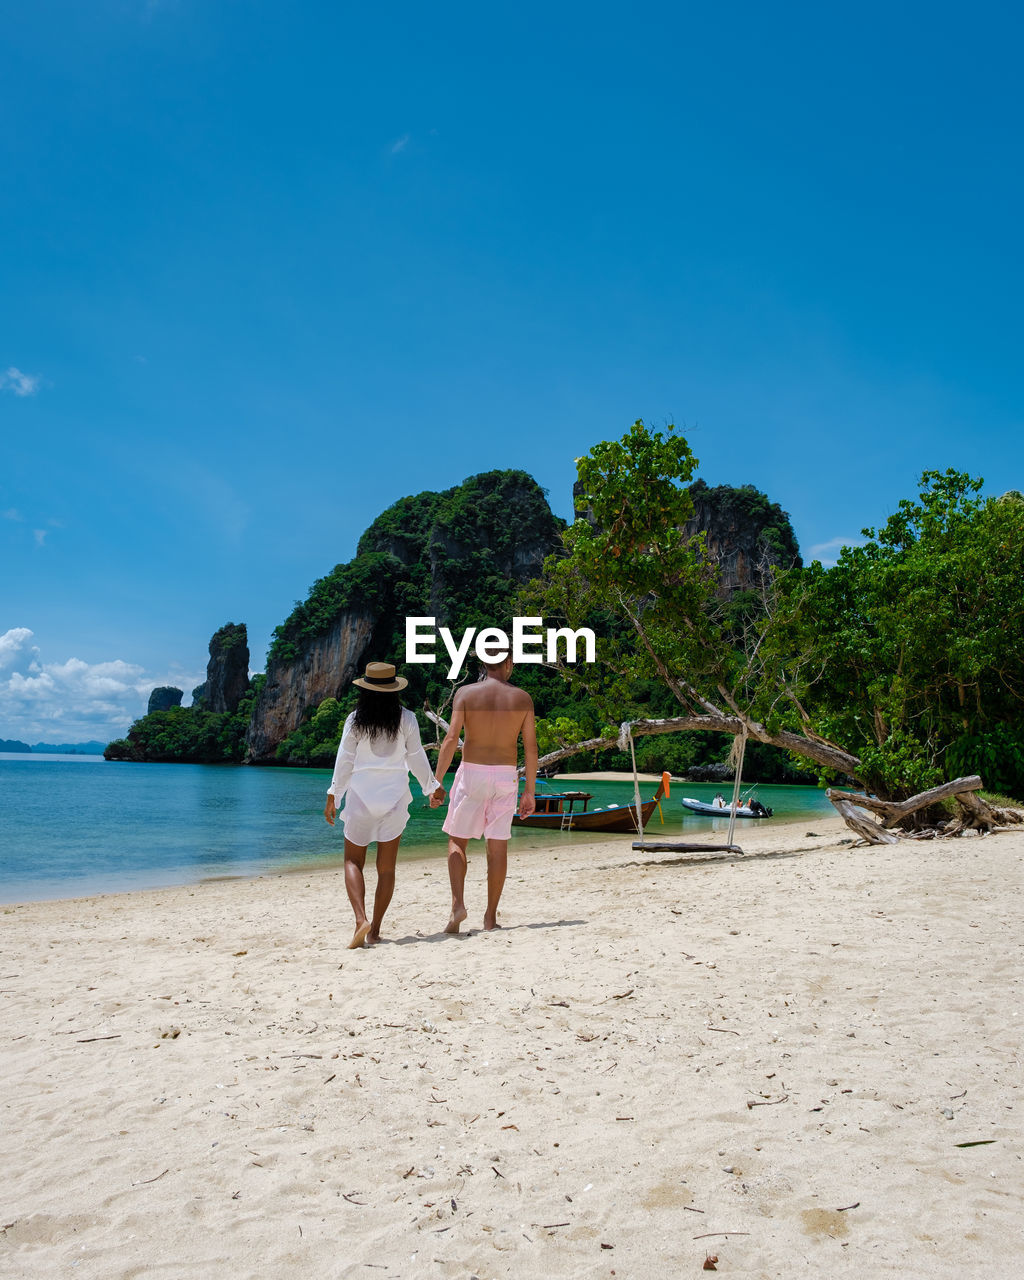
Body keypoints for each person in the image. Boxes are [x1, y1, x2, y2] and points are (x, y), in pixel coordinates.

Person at [324, 661, 444, 949]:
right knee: (386, 869)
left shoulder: (355, 720)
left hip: (361, 798)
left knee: (353, 861)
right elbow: (416, 757)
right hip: (394, 800)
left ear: (365, 690)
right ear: (394, 690)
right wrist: (432, 787)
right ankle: (375, 929)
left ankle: (359, 919)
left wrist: (333, 795)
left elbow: (345, 762)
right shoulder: (407, 719)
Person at [431, 653, 537, 933]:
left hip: (472, 773)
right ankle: (490, 918)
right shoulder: (523, 699)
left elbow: (452, 739)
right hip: (505, 775)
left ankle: (458, 905)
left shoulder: (466, 694)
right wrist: (530, 791)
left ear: (483, 665)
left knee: (457, 840)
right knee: (497, 846)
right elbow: (531, 748)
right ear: (508, 663)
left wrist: (436, 782)